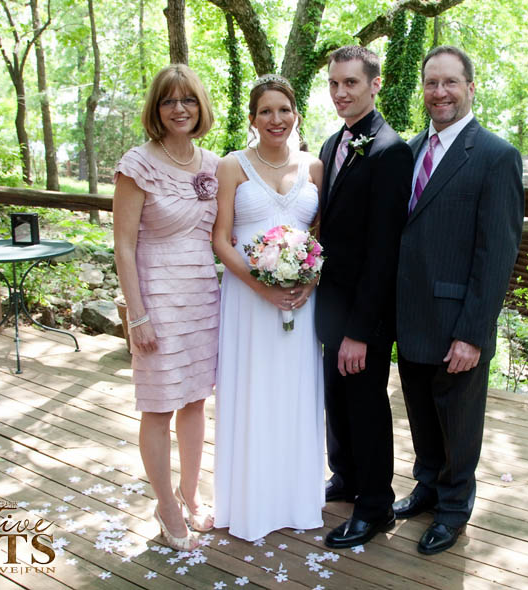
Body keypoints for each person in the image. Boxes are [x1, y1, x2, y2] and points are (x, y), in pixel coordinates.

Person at [393, 45, 524, 555]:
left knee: (459, 424)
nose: (439, 92)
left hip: (458, 323)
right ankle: (427, 487)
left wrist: (473, 333)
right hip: (411, 317)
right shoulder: (408, 151)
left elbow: (497, 254)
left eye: (450, 82)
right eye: (432, 83)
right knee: (422, 417)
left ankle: (452, 509)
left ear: (470, 88)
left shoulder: (495, 156)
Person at [212, 75, 325, 541]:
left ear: (296, 114)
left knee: (294, 393)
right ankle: (249, 502)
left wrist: (310, 279)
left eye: (284, 110)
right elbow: (221, 239)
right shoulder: (231, 166)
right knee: (252, 391)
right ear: (252, 118)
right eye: (265, 111)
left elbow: (321, 235)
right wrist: (261, 286)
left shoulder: (315, 166)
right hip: (248, 299)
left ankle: (295, 500)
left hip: (301, 300)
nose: (275, 119)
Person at [113, 64, 220, 551]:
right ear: (156, 109)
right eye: (169, 100)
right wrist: (137, 316)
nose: (180, 109)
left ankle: (190, 494)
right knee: (158, 407)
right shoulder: (138, 164)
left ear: (201, 106)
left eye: (189, 100)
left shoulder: (214, 164)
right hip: (156, 298)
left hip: (202, 298)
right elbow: (123, 246)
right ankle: (166, 506)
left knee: (195, 401)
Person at [315, 46, 413, 549]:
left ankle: (375, 506)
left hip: (364, 315)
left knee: (366, 405)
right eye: (334, 83)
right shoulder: (333, 143)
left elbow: (383, 251)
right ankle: (346, 477)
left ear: (375, 84)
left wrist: (360, 331)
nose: (340, 92)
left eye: (350, 82)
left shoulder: (391, 151)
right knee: (337, 399)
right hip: (330, 306)